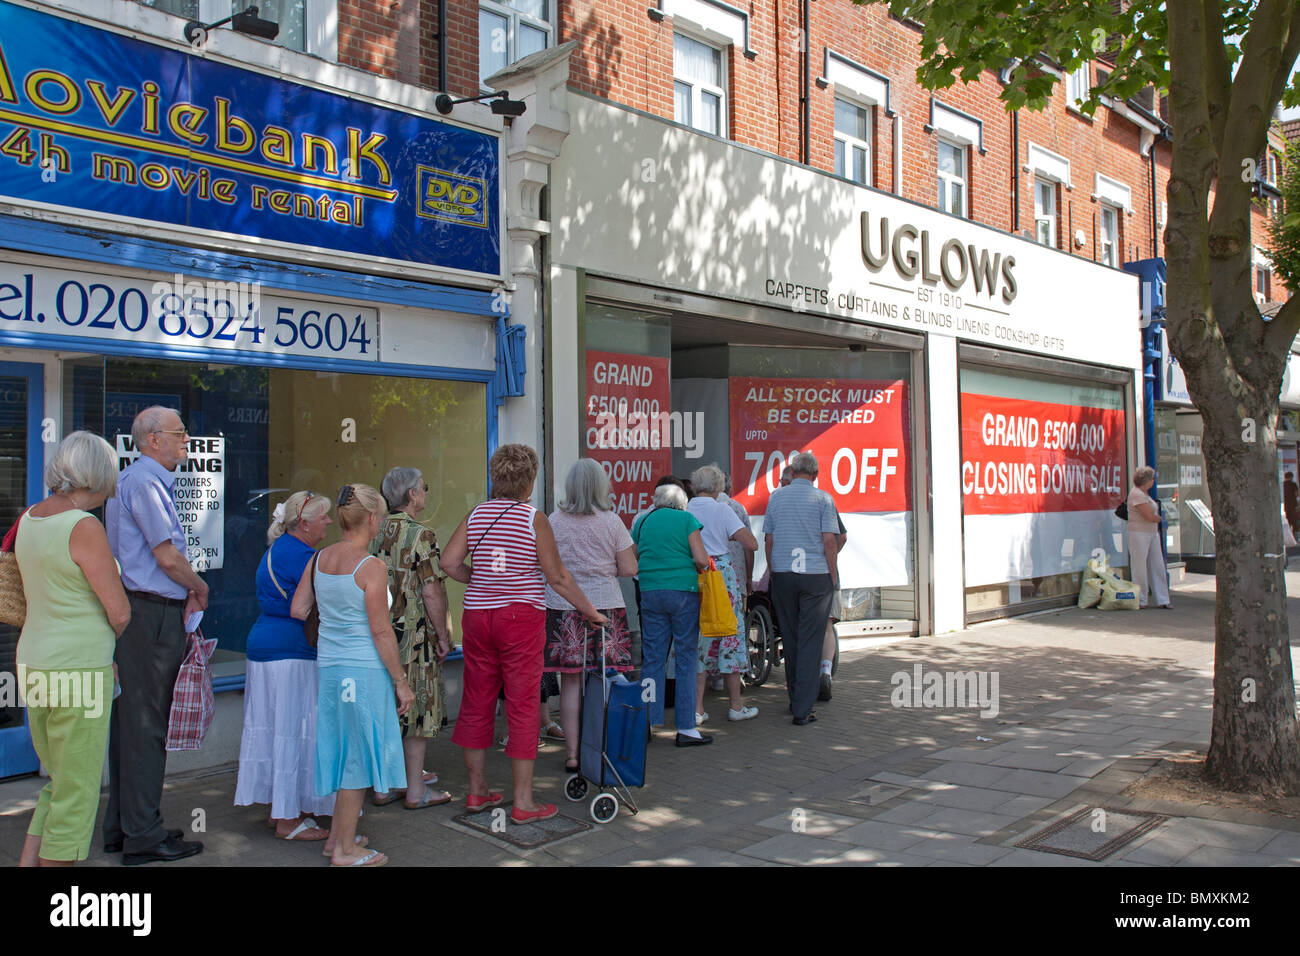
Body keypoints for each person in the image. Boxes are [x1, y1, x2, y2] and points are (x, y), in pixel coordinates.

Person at [439, 444, 605, 824]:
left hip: (479, 616)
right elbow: (558, 577)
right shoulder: (533, 519)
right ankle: (524, 802)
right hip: (521, 619)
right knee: (523, 702)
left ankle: (477, 791)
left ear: (495, 477)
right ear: (530, 481)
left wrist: (480, 580)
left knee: (477, 699)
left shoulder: (477, 514)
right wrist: (590, 611)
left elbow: (449, 562)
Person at [16, 432, 130, 866]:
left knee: (58, 784)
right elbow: (117, 610)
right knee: (77, 794)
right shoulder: (83, 526)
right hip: (80, 669)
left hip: (35, 661)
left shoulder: (30, 517)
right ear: (97, 475)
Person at [104, 406, 207, 864]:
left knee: (132, 725)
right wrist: (200, 587)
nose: (187, 440)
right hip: (150, 613)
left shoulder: (137, 480)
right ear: (151, 440)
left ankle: (125, 828)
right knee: (146, 726)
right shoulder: (145, 482)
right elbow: (165, 557)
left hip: (145, 612)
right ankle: (143, 836)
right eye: (179, 433)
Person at [293, 484, 413, 866]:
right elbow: (380, 631)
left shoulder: (319, 558)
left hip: (330, 668)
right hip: (362, 670)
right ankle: (344, 849)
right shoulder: (370, 567)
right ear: (374, 520)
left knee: (344, 751)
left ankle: (338, 838)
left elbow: (300, 608)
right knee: (357, 758)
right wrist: (401, 681)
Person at [234, 491, 337, 840]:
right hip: (293, 649)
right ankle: (290, 820)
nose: (329, 521)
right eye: (322, 516)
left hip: (264, 645)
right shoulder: (306, 556)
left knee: (275, 729)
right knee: (295, 731)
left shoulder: (276, 549)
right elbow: (307, 607)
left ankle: (282, 808)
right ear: (304, 523)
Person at [544, 459, 637, 774]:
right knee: (602, 678)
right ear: (601, 486)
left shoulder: (553, 521)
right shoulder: (612, 522)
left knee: (570, 682)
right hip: (603, 607)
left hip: (562, 606)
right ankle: (598, 749)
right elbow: (629, 568)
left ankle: (572, 754)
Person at [370, 467, 453, 809]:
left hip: (377, 634)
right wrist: (444, 635)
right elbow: (431, 591)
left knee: (385, 707)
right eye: (424, 488)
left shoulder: (373, 531)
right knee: (416, 711)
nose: (426, 493)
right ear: (411, 495)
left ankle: (383, 786)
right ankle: (415, 791)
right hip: (414, 637)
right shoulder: (421, 535)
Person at [764, 452, 840, 725]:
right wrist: (832, 575)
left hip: (784, 573)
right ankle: (802, 708)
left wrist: (773, 571)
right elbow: (829, 540)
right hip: (815, 575)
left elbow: (769, 539)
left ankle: (795, 696)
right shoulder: (823, 499)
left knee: (791, 637)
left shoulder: (775, 497)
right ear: (815, 475)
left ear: (793, 473)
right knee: (811, 640)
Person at [633, 482, 712, 746]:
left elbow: (633, 556)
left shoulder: (642, 522)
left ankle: (647, 721)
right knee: (686, 659)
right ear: (682, 502)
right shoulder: (687, 520)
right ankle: (687, 728)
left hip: (650, 592)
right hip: (683, 593)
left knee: (653, 658)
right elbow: (701, 559)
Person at [687, 464, 758, 723]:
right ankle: (736, 706)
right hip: (721, 577)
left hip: (693, 577)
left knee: (699, 641)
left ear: (695, 486)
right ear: (718, 487)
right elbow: (751, 543)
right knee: (730, 636)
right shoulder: (722, 509)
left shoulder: (685, 509)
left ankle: (696, 709)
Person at [1127, 466, 1172, 610]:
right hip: (1139, 532)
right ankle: (1141, 599)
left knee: (1157, 564)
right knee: (1139, 566)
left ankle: (1162, 598)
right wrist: (1157, 518)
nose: (1153, 482)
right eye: (1152, 479)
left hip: (1150, 533)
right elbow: (1148, 516)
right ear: (1148, 481)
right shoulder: (1137, 495)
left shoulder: (1143, 494)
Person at [819, 515, 848, 702]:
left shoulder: (779, 501)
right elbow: (842, 537)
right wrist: (830, 555)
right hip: (827, 572)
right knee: (827, 626)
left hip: (796, 573)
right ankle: (826, 670)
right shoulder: (824, 503)